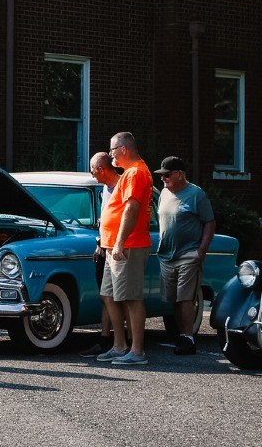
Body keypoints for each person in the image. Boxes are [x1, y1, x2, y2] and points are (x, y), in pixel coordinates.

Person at [97, 131, 153, 366]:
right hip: (113, 245)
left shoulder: (137, 172)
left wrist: (119, 241)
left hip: (128, 245)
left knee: (130, 298)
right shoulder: (129, 173)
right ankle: (119, 346)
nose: (111, 158)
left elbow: (131, 209)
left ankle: (137, 351)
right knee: (109, 295)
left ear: (123, 149)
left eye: (112, 152)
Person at [155, 156, 216, 355]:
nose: (163, 179)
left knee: (185, 298)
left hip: (188, 253)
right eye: (161, 175)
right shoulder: (164, 193)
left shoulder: (196, 194)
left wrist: (201, 250)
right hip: (166, 255)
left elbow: (209, 222)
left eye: (167, 175)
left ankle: (188, 338)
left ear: (180, 174)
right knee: (173, 298)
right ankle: (180, 334)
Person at [80, 151, 120, 358]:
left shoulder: (122, 187)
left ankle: (122, 342)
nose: (92, 174)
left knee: (123, 297)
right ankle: (106, 339)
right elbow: (106, 220)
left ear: (102, 169)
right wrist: (99, 243)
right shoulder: (105, 188)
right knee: (107, 296)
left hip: (120, 248)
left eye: (93, 170)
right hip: (105, 246)